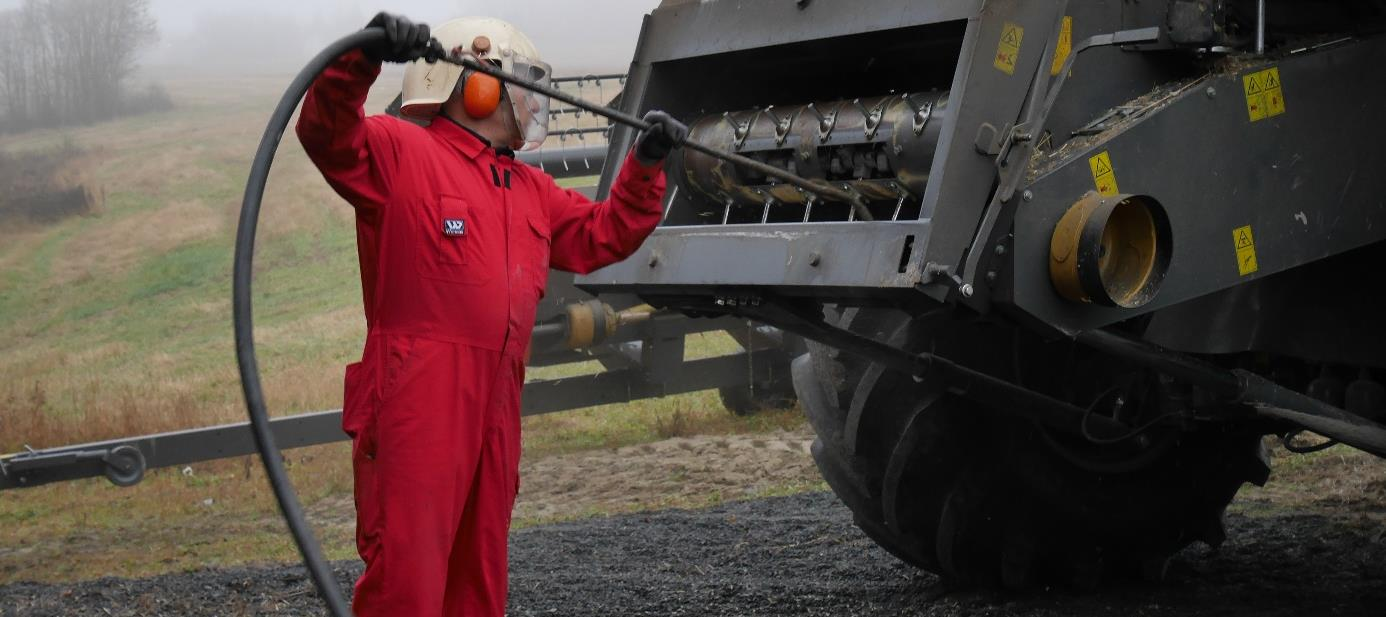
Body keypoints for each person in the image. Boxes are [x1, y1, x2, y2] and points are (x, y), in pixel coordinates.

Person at [295, 12, 687, 616]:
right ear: (475, 87)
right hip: (416, 397)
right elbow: (328, 134)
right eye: (522, 87)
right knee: (410, 580)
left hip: (497, 399)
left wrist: (646, 164)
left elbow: (604, 233)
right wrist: (364, 56)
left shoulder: (526, 189)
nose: (533, 104)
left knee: (478, 578)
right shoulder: (402, 152)